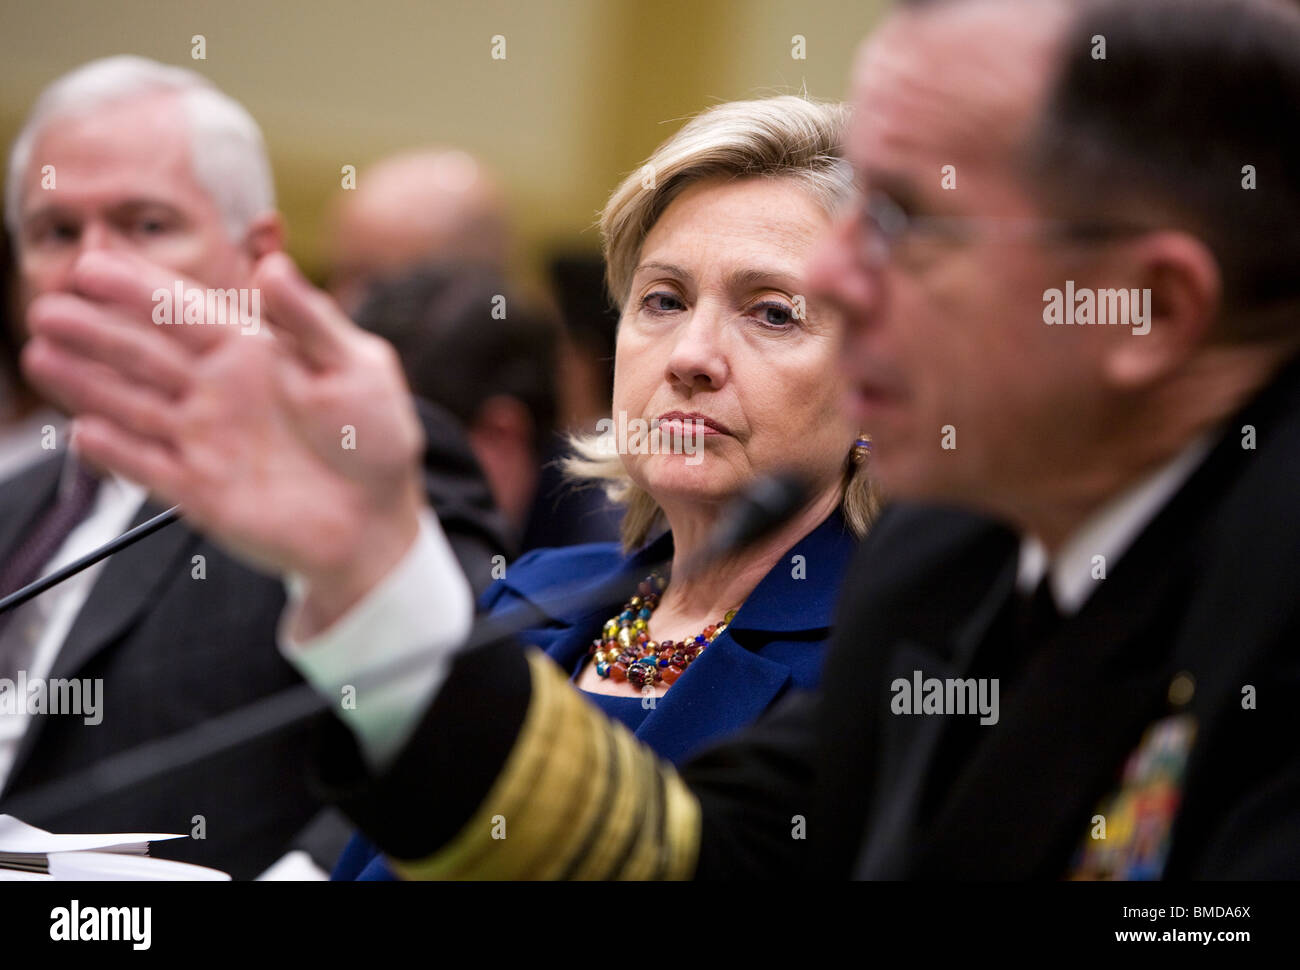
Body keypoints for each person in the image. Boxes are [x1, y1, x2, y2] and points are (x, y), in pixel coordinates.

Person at [27, 0, 1300, 880]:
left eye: (908, 226)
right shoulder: (957, 572)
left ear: (1147, 309)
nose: (849, 292)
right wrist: (369, 577)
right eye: (662, 298)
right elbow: (681, 860)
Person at [331, 97, 875, 878]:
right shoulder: (523, 601)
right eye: (664, 300)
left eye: (772, 313)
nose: (691, 355)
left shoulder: (882, 660)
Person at [0, 55, 510, 879]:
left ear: (257, 253)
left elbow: (447, 721)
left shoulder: (339, 458)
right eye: (55, 232)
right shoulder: (15, 498)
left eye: (145, 224)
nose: (91, 268)